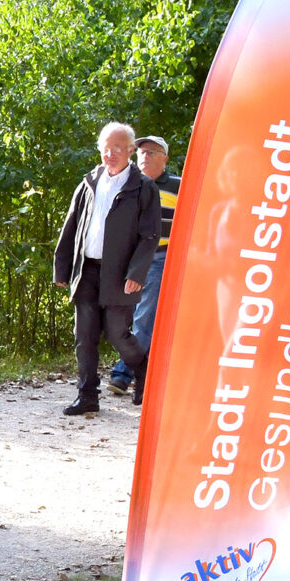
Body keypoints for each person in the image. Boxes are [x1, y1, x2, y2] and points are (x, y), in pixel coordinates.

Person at [51, 122, 159, 414]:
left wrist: (136, 274)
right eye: (106, 149)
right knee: (84, 334)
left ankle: (142, 369)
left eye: (117, 149)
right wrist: (62, 268)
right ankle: (87, 395)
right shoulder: (89, 182)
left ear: (130, 152)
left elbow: (149, 236)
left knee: (116, 334)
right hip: (87, 270)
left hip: (120, 274)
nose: (110, 154)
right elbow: (71, 225)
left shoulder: (143, 187)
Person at [108, 135, 178, 396]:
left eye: (151, 152)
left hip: (159, 259)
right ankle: (143, 376)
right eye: (141, 152)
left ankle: (122, 374)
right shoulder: (127, 183)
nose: (144, 156)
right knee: (123, 319)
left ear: (165, 158)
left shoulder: (178, 186)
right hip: (126, 260)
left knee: (144, 318)